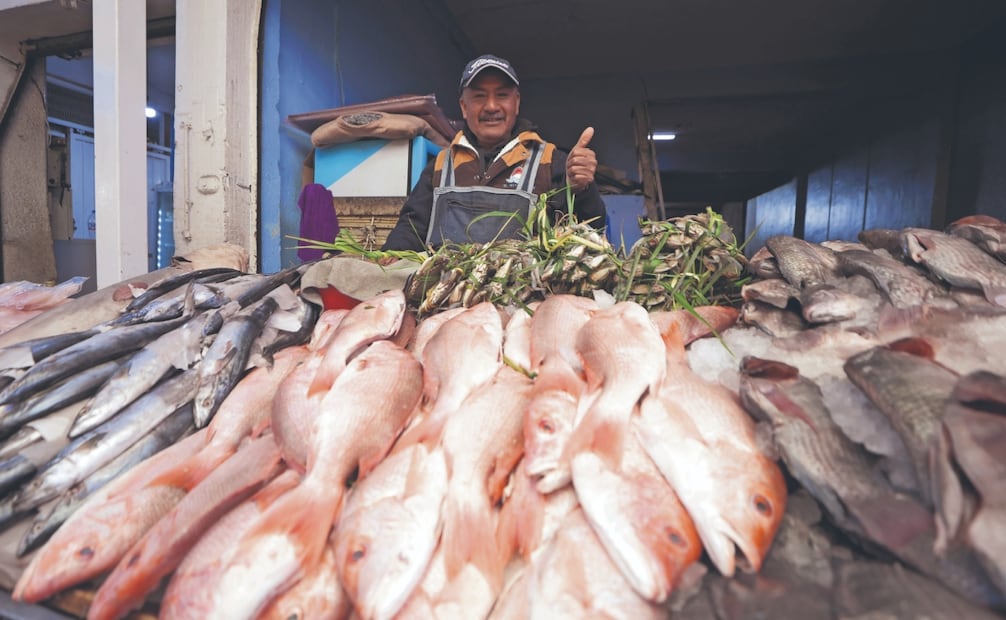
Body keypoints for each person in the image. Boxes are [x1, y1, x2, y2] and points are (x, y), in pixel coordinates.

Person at [382, 54, 607, 252]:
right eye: (479, 96)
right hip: (447, 294)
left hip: (521, 297)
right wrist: (386, 264)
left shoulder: (551, 161)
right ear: (463, 106)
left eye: (501, 95)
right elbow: (411, 229)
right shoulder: (440, 165)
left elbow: (589, 234)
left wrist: (581, 189)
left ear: (516, 103)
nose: (491, 106)